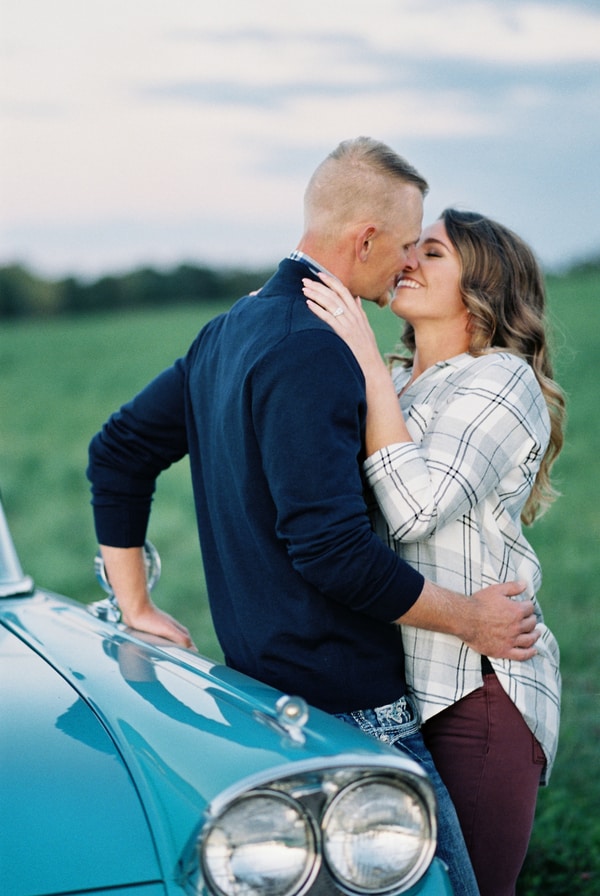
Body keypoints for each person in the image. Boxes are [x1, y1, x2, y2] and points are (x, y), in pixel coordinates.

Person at [87, 138, 539, 895]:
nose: (404, 265)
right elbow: (331, 551)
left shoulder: (229, 330)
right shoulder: (317, 347)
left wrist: (137, 601)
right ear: (363, 239)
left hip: (258, 696)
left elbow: (117, 450)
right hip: (352, 706)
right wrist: (468, 619)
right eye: (403, 247)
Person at [302, 207, 565, 896]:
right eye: (410, 247)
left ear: (483, 286)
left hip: (474, 687)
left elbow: (416, 509)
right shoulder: (397, 376)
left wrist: (365, 361)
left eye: (435, 252)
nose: (408, 259)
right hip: (386, 690)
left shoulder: (500, 380)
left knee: (468, 887)